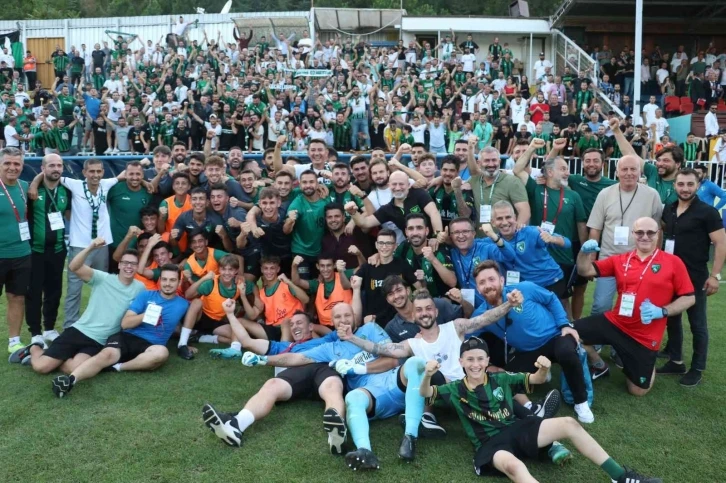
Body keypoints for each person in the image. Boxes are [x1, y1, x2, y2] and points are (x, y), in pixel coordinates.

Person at [419, 337, 663, 483]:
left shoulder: (501, 379)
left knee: (569, 423)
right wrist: (428, 375)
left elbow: (535, 379)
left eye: (480, 359)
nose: (475, 364)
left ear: (487, 360)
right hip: (490, 445)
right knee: (514, 467)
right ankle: (549, 448)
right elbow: (426, 393)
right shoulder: (454, 389)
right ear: (461, 362)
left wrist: (544, 369)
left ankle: (619, 476)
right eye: (470, 359)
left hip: (518, 429)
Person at [334, 287, 523, 461]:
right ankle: (422, 422)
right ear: (414, 315)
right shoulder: (412, 344)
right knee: (426, 369)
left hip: (471, 388)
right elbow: (380, 348)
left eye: (428, 308)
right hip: (447, 394)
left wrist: (509, 304)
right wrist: (352, 338)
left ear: (436, 311)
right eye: (419, 310)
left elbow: (484, 319)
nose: (424, 313)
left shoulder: (455, 327)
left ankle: (530, 414)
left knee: (504, 399)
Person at [575, 217, 696, 396]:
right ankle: (599, 364)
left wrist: (662, 311)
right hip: (615, 323)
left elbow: (689, 298)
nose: (645, 236)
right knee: (570, 332)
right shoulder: (621, 259)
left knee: (637, 391)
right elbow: (584, 270)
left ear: (658, 234)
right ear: (633, 234)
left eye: (650, 232)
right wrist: (583, 253)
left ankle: (641, 361)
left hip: (644, 336)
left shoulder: (673, 262)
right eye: (639, 232)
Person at [203, 306, 345, 453]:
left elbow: (346, 328)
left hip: (322, 369)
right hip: (297, 373)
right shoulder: (283, 347)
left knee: (333, 386)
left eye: (299, 323)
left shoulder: (326, 340)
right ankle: (236, 426)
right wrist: (230, 314)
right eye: (292, 324)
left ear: (310, 327)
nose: (294, 326)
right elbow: (247, 341)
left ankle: (336, 435)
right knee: (272, 384)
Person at [468, 260, 594, 423]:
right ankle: (541, 377)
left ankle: (581, 402)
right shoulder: (481, 315)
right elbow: (467, 337)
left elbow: (551, 299)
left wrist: (564, 324)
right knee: (504, 379)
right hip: (527, 352)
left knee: (566, 351)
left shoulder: (524, 288)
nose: (488, 285)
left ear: (502, 280)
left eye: (491, 279)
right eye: (482, 282)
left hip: (554, 337)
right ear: (478, 288)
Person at [51, 264, 190, 398]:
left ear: (179, 282)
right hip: (127, 337)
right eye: (164, 279)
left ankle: (117, 367)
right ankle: (70, 381)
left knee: (162, 353)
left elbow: (193, 319)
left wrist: (185, 344)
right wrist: (145, 315)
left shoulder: (183, 304)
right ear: (159, 280)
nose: (167, 284)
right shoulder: (146, 296)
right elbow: (125, 323)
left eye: (172, 280)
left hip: (151, 346)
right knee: (106, 355)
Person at [9, 239, 144, 374]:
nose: (129, 266)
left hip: (99, 342)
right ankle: (34, 348)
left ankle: (53, 358)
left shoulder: (140, 289)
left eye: (133, 264)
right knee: (42, 367)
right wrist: (91, 247)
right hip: (79, 331)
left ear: (137, 267)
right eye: (125, 262)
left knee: (74, 368)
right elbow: (74, 267)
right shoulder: (103, 278)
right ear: (119, 264)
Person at [657, 169, 726, 386]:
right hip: (670, 275)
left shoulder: (707, 212)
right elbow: (662, 233)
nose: (685, 188)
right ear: (674, 186)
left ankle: (697, 368)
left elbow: (721, 243)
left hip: (695, 276)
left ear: (698, 186)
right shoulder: (669, 209)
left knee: (697, 324)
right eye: (681, 184)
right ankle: (676, 361)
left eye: (690, 184)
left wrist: (714, 275)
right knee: (672, 318)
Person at [25, 154, 70, 348]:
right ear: (43, 168)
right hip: (35, 250)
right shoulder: (31, 190)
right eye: (51, 165)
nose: (56, 168)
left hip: (58, 250)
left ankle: (49, 328)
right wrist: (35, 182)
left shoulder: (67, 190)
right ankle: (35, 332)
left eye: (59, 165)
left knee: (54, 291)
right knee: (34, 292)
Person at [354, 229, 420, 327]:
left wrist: (412, 307)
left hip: (399, 322)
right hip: (374, 323)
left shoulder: (402, 265)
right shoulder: (368, 267)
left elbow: (420, 288)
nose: (384, 247)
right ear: (376, 245)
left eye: (388, 243)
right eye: (381, 243)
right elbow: (348, 285)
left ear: (395, 246)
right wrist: (342, 271)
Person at [0, 147, 31, 353]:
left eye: (16, 164)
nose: (12, 167)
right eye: (7, 163)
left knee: (17, 297)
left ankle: (14, 341)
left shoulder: (25, 186)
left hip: (22, 253)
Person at [446, 217, 516, 308]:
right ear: (451, 236)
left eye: (465, 231)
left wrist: (493, 236)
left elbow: (510, 255)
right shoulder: (452, 252)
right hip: (471, 308)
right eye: (456, 232)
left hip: (495, 305)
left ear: (473, 233)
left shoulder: (485, 248)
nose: (461, 235)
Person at [465, 138, 531, 225]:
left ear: (499, 162)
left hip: (504, 233)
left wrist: (515, 232)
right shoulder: (473, 180)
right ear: (479, 163)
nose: (491, 164)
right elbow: (473, 171)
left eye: (494, 160)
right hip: (478, 234)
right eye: (487, 160)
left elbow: (524, 212)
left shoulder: (513, 182)